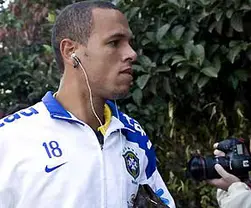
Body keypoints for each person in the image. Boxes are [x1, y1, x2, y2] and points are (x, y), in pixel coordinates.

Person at [0, 1, 175, 207]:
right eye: (114, 42)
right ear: (70, 51)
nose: (132, 54)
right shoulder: (10, 139)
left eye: (129, 43)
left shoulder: (133, 135)